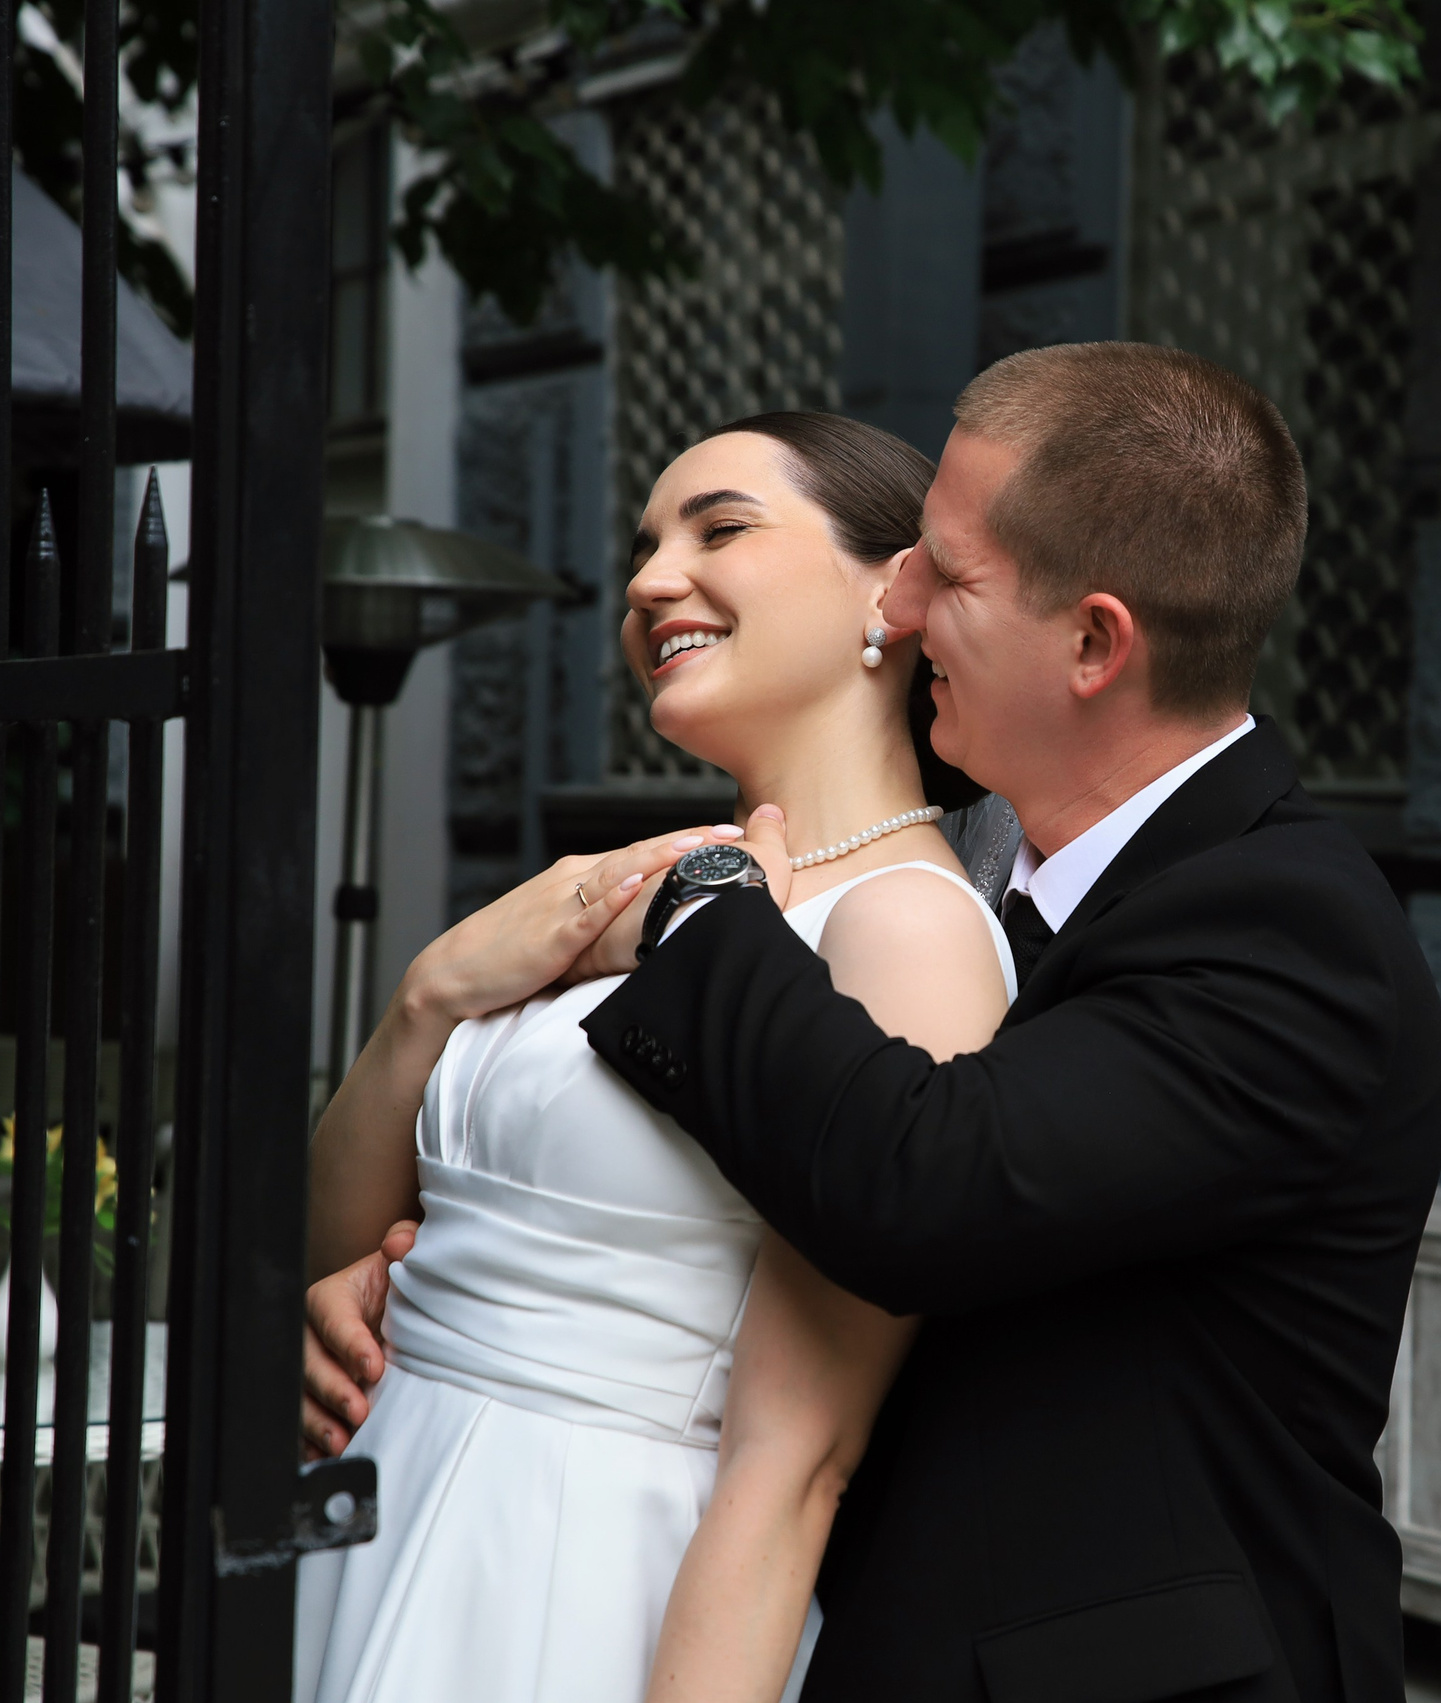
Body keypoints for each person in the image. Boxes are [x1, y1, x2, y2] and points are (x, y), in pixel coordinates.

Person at [595, 342, 1441, 1698]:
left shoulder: (1291, 927)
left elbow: (924, 1184)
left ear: (1097, 642)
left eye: (947, 567)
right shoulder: (1014, 881)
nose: (905, 600)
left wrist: (705, 903)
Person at [293, 413, 1013, 1703]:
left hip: (580, 1571)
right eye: (643, 545)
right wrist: (427, 997)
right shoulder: (637, 889)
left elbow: (799, 1456)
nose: (645, 582)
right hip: (380, 1504)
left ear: (892, 589)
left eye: (719, 528)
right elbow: (326, 1238)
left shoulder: (903, 927)